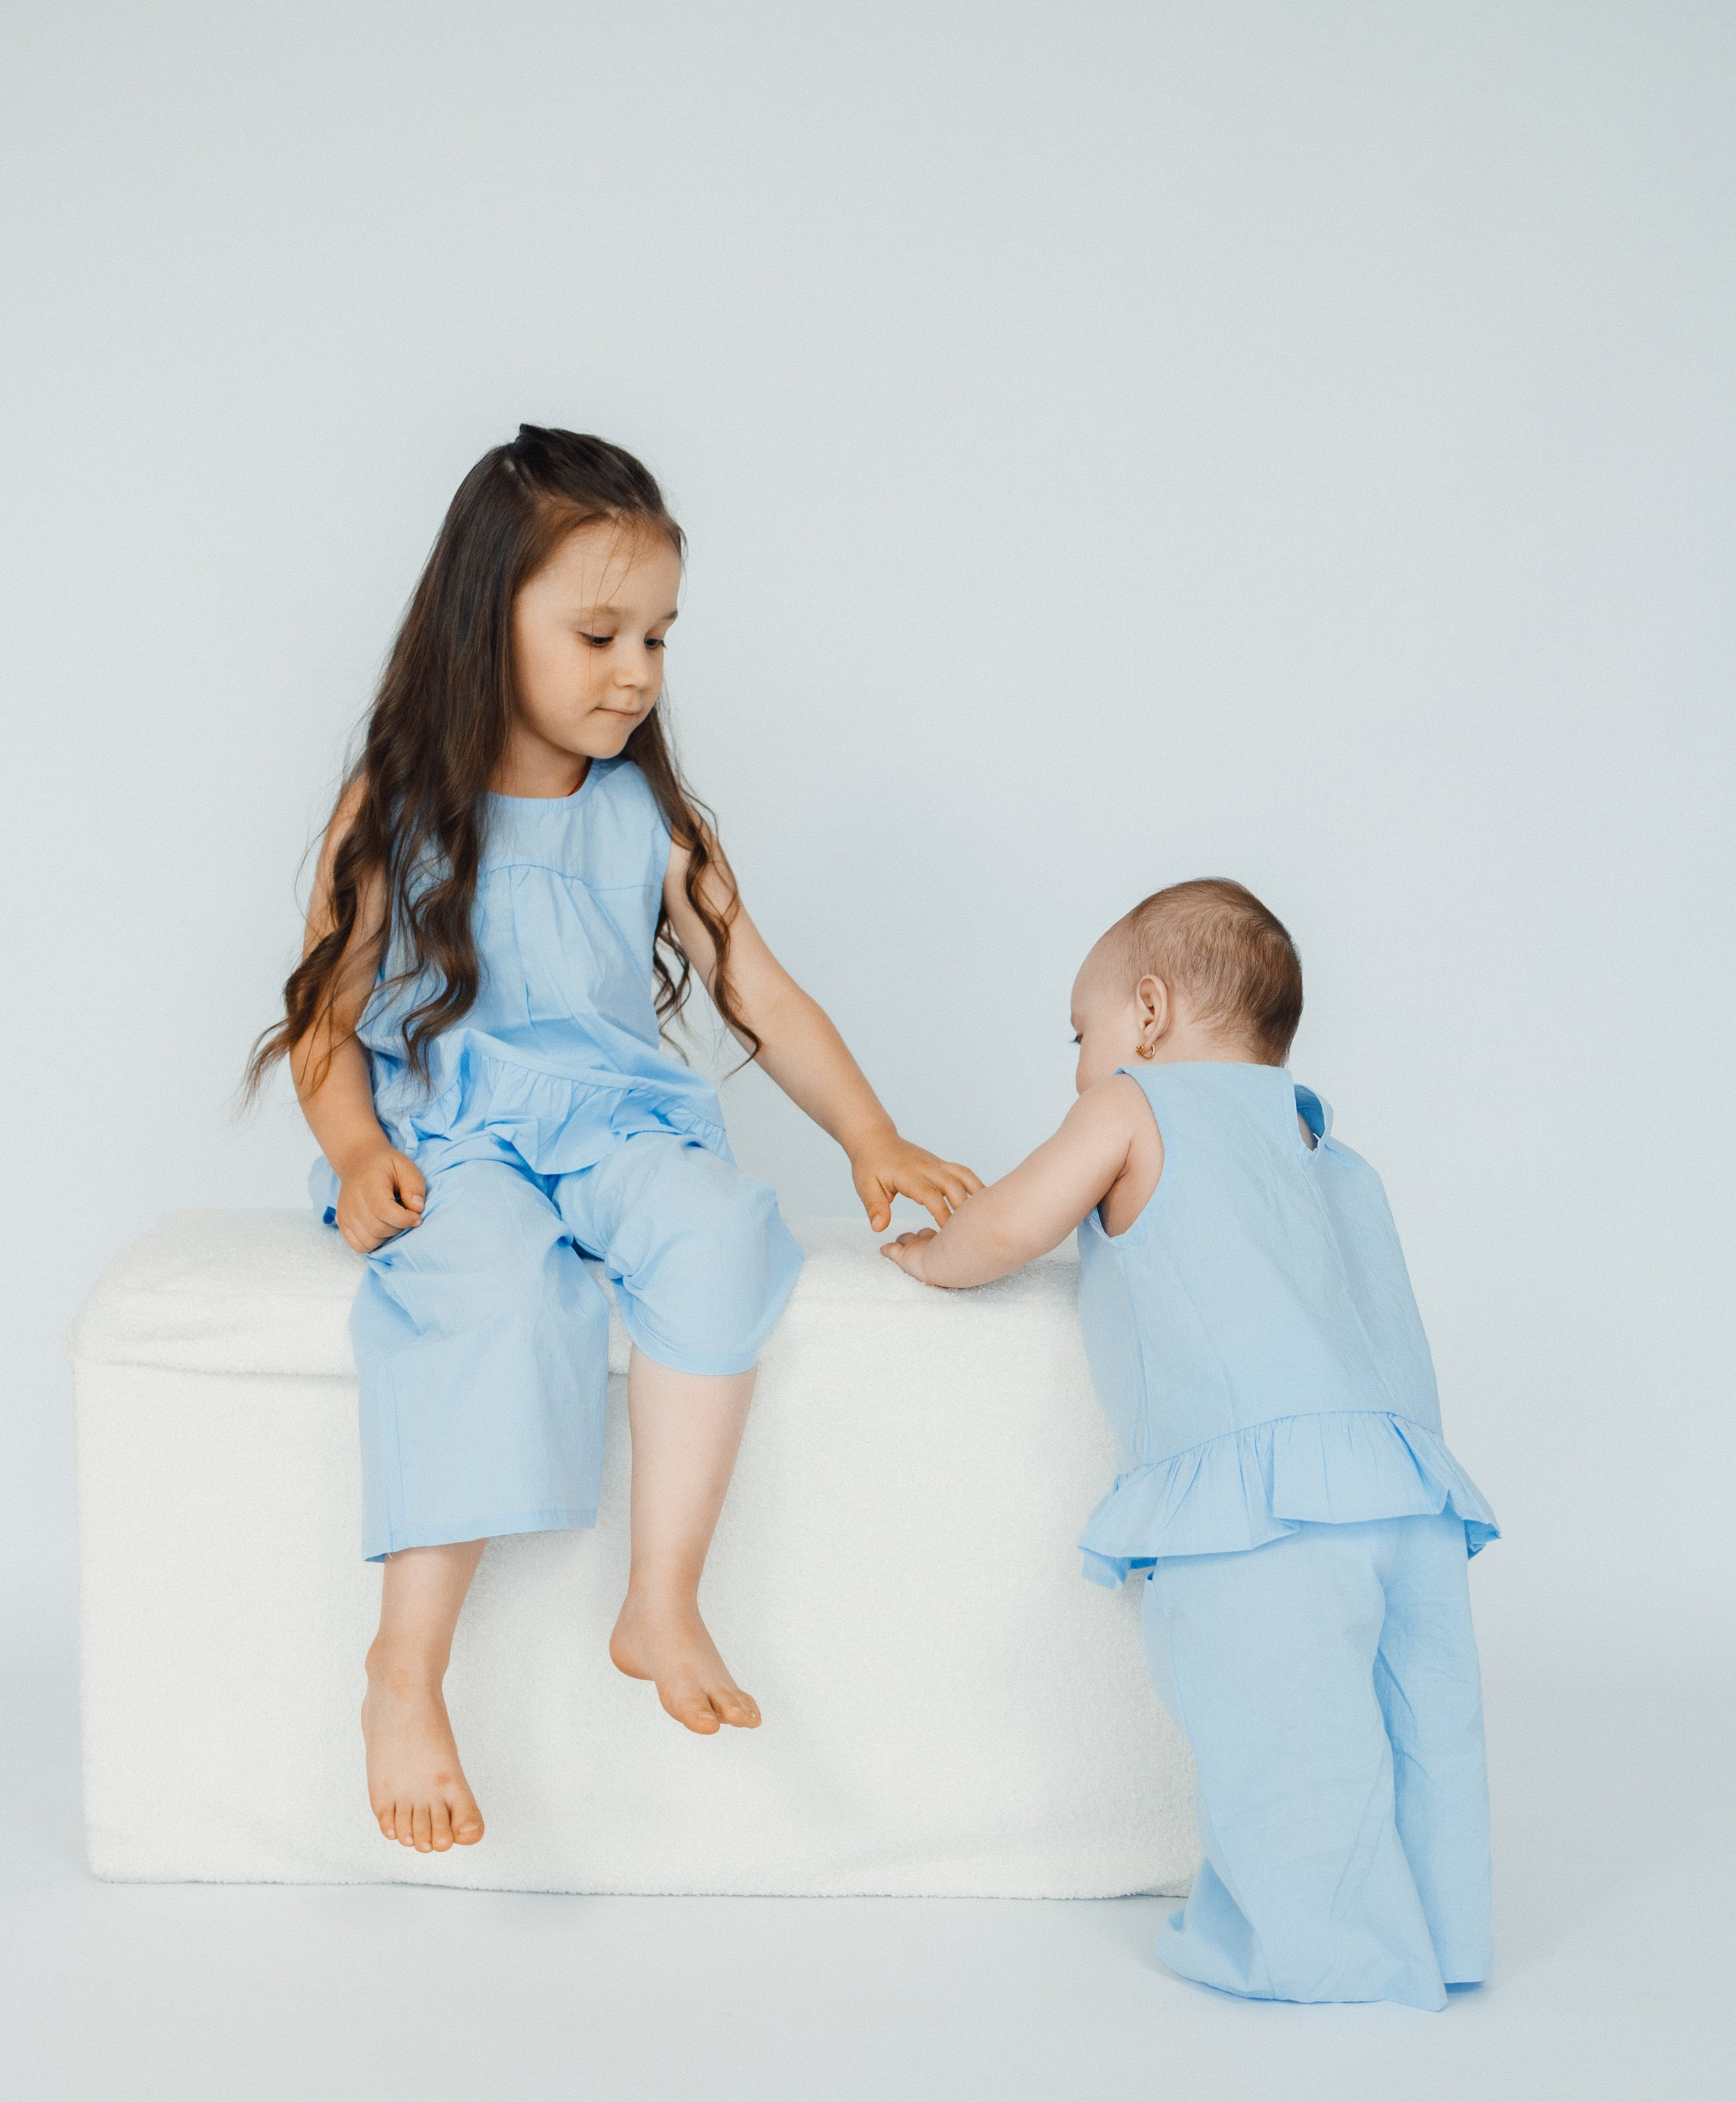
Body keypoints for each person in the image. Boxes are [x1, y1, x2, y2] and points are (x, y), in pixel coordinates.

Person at [248, 427, 979, 1856]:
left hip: (614, 1126)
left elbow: (755, 989)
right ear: (484, 624)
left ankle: (660, 1599)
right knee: (495, 1283)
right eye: (597, 632)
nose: (635, 671)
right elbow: (329, 1021)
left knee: (714, 1231)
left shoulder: (651, 818)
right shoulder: (396, 811)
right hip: (457, 1137)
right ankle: (403, 1670)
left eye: (655, 635)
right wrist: (351, 1156)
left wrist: (870, 1135)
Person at [882, 879, 1496, 2009]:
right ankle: (1448, 1935)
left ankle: (1333, 1964)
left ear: (1149, 1016)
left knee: (1288, 1740)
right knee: (1425, 1730)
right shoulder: (1322, 1142)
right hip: (1407, 1488)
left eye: (1084, 1030)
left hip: (1264, 1501)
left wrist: (934, 1254)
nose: (1081, 1060)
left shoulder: (1129, 1108)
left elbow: (1015, 1224)